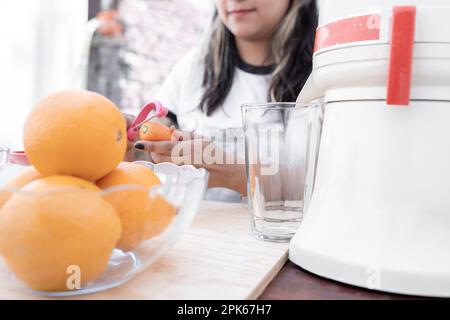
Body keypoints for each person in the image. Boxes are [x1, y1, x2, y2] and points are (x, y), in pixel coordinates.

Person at [128, 0, 318, 201]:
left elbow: (334, 191)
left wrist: (235, 174)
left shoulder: (325, 75)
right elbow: (152, 148)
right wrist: (132, 145)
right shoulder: (192, 68)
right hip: (201, 231)